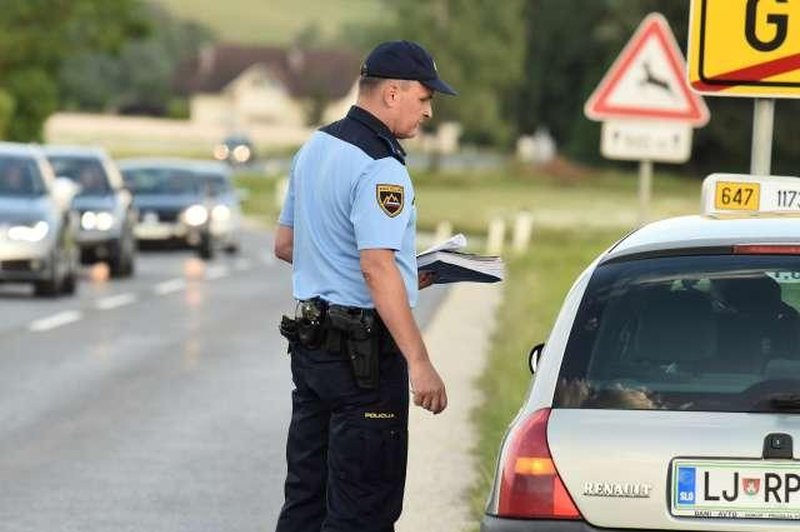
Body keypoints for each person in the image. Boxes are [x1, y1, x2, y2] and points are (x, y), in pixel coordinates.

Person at [273, 40, 457, 532]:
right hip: (365, 364)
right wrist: (420, 364)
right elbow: (375, 267)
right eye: (424, 99)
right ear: (392, 94)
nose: (428, 112)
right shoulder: (382, 166)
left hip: (313, 352)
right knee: (362, 513)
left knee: (306, 502)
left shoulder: (316, 147)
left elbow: (288, 244)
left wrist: (399, 276)